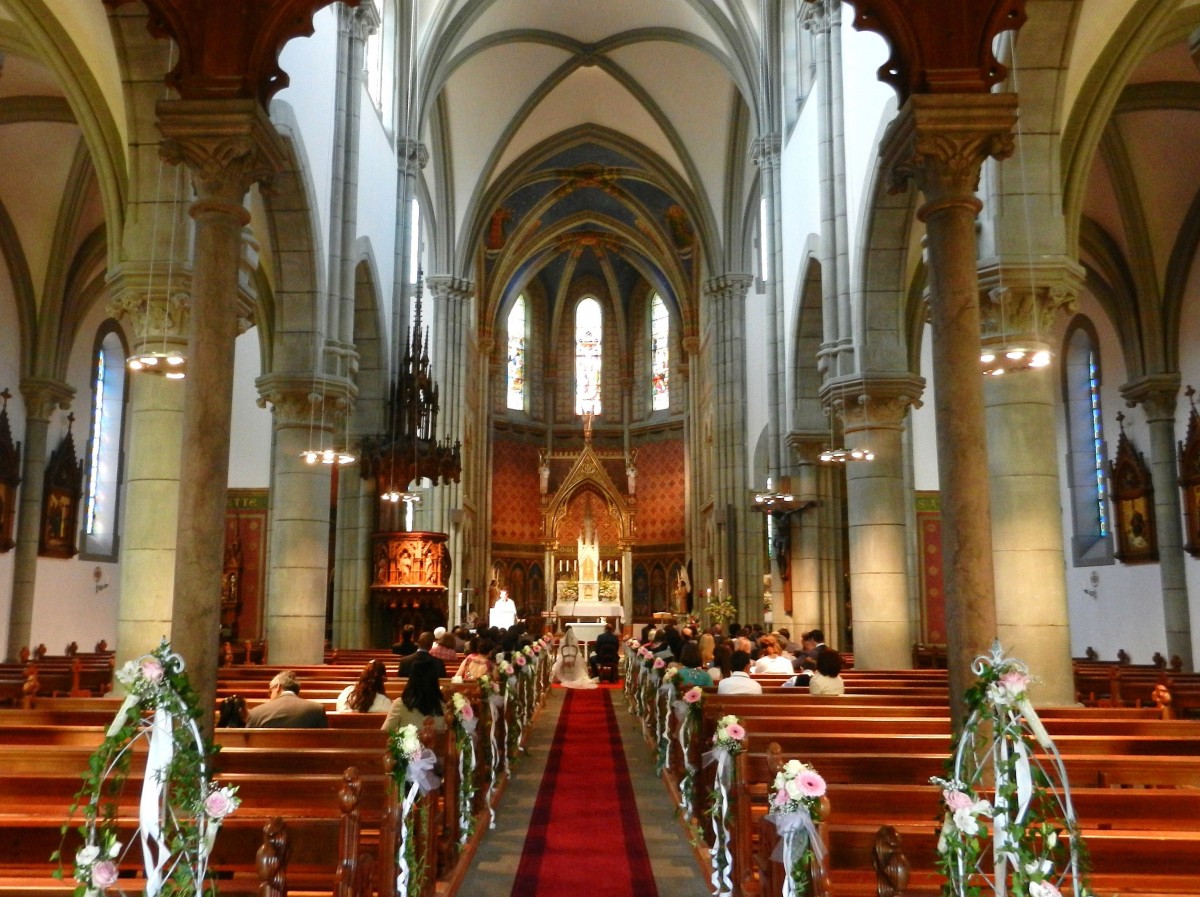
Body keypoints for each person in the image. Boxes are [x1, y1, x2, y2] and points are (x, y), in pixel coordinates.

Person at [383, 654, 447, 733]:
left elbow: (384, 733)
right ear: (434, 682)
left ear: (411, 680)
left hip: (406, 745)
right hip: (437, 745)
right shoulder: (443, 706)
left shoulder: (400, 704)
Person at [246, 670, 329, 728]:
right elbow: (324, 742)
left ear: (278, 687)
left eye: (270, 691)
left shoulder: (256, 713)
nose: (270, 695)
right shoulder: (317, 710)